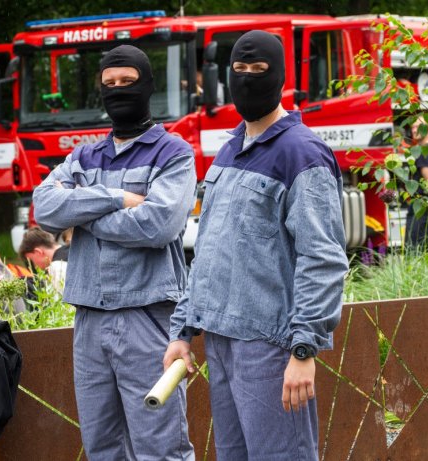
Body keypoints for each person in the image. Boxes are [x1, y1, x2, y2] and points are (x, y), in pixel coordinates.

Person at [164, 30, 349, 461]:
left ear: (281, 77)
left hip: (271, 347)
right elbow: (209, 250)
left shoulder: (303, 153)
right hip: (223, 343)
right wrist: (183, 330)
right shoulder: (230, 148)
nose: (247, 79)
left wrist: (303, 350)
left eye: (259, 71)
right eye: (239, 71)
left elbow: (322, 260)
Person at [32, 44, 196, 460]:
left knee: (161, 447)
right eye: (109, 84)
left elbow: (159, 225)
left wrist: (83, 214)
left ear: (147, 87)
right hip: (89, 319)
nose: (118, 91)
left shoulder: (173, 153)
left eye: (127, 82)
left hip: (147, 316)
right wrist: (118, 197)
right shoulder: (85, 154)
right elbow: (45, 207)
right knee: (102, 447)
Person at [405, 114, 428, 247]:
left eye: (418, 126)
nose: (414, 130)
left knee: (415, 250)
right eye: (413, 127)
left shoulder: (422, 152)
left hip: (421, 211)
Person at [18, 227, 69, 293]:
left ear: (38, 252)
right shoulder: (74, 249)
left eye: (31, 261)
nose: (35, 266)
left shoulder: (56, 268)